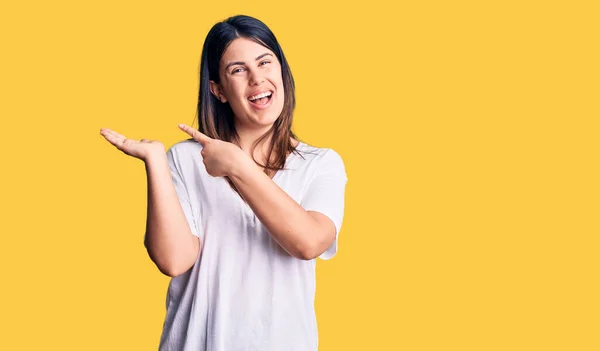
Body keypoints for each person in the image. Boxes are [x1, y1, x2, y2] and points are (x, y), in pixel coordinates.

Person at [100, 14, 347, 351]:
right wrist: (156, 161)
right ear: (218, 90)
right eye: (238, 70)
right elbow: (173, 260)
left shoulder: (321, 164)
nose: (257, 79)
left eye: (265, 62)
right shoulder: (187, 159)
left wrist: (237, 166)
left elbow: (308, 242)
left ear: (282, 71)